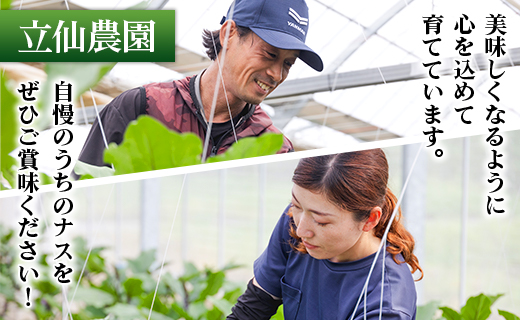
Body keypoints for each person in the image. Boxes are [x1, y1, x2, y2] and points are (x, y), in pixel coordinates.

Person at [74, 0, 323, 175]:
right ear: (229, 33)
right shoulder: (142, 106)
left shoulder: (273, 147)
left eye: (288, 63)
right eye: (269, 54)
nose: (276, 74)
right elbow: (84, 186)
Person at [227, 149, 423, 320]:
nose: (301, 230)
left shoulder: (385, 304)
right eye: (297, 205)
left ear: (370, 219)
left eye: (322, 221)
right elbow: (254, 307)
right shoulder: (296, 222)